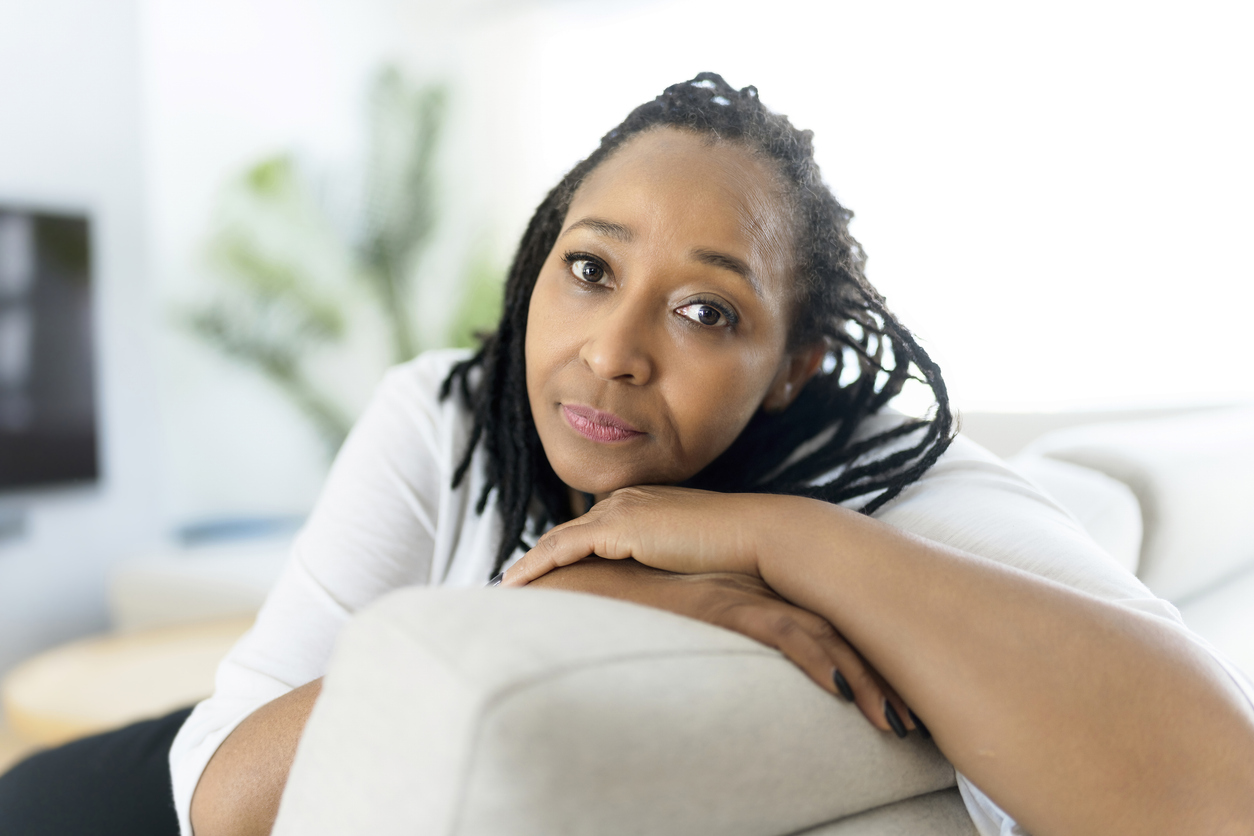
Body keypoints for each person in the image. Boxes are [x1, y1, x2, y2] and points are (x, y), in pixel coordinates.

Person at [4, 72, 1250, 836]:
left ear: (797, 362)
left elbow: (1220, 795)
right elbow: (219, 799)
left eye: (708, 310)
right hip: (216, 743)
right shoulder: (445, 408)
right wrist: (570, 587)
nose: (612, 350)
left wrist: (777, 537)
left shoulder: (880, 470)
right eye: (591, 269)